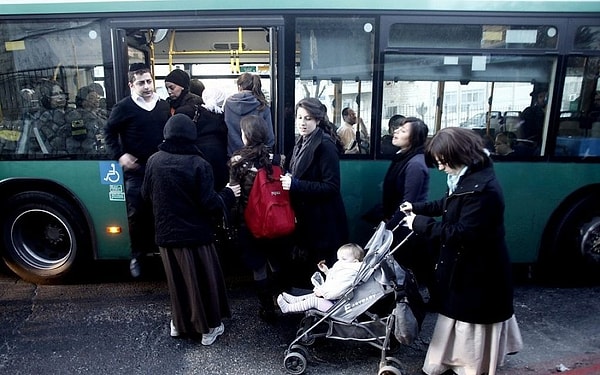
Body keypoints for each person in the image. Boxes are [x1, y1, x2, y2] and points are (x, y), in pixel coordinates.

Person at [401, 127, 523, 375]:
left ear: (459, 155)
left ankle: (465, 365)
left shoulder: (483, 190)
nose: (441, 168)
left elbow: (461, 232)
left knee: (468, 319)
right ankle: (455, 362)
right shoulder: (468, 176)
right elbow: (449, 204)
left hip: (479, 270)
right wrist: (417, 207)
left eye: (442, 162)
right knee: (460, 314)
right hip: (471, 266)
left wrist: (419, 223)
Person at [141, 113, 241, 344]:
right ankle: (209, 329)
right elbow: (209, 204)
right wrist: (228, 194)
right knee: (204, 282)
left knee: (178, 283)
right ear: (191, 135)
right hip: (196, 236)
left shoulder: (154, 160)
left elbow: (146, 195)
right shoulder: (199, 164)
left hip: (166, 235)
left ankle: (179, 324)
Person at [104, 63, 170, 278]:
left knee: (163, 211)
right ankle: (138, 255)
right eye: (141, 83)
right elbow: (109, 133)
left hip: (160, 169)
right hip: (137, 171)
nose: (147, 86)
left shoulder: (162, 106)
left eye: (149, 81)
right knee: (137, 214)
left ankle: (163, 253)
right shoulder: (123, 108)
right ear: (131, 84)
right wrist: (120, 155)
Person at [280, 97, 349, 289]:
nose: (302, 122)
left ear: (318, 120)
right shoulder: (301, 141)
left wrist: (295, 184)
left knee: (321, 268)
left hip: (324, 220)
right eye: (299, 117)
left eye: (308, 118)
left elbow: (332, 186)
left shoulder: (325, 146)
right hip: (309, 217)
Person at [228, 114, 292, 322]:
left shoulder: (238, 161)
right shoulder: (278, 159)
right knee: (276, 261)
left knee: (258, 266)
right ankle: (282, 300)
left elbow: (235, 194)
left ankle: (267, 308)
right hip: (276, 219)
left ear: (246, 135)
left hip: (250, 222)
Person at [381, 117, 432, 291]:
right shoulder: (402, 157)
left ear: (414, 139)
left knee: (408, 267)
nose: (395, 132)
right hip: (399, 222)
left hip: (406, 226)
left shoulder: (415, 164)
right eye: (398, 129)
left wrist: (388, 227)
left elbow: (407, 202)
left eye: (403, 131)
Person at [276, 243, 364, 313]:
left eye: (343, 259)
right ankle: (296, 300)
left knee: (314, 301)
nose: (339, 262)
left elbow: (338, 290)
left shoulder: (351, 274)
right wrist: (327, 272)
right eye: (338, 259)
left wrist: (323, 292)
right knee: (315, 294)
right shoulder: (347, 269)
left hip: (338, 307)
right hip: (335, 300)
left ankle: (288, 308)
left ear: (355, 262)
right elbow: (336, 280)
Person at [223, 72, 274, 156]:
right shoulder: (262, 105)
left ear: (239, 87)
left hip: (234, 155)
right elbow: (269, 137)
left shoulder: (228, 104)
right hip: (257, 155)